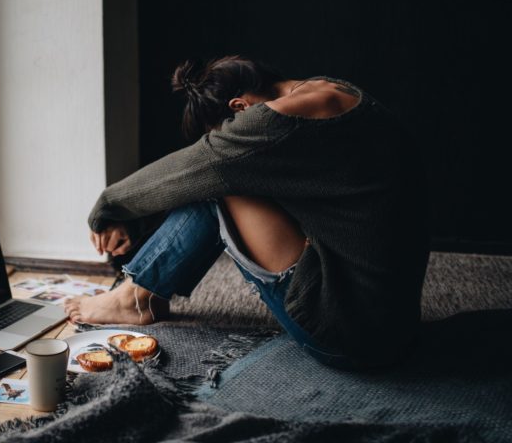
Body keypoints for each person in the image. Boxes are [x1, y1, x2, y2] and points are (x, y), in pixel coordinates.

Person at [64, 55, 430, 369]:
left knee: (217, 180)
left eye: (227, 130)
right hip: (393, 326)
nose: (231, 136)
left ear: (240, 107)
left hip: (349, 336)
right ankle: (141, 292)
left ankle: (136, 299)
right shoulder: (332, 90)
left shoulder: (273, 121)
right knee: (222, 170)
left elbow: (195, 167)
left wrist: (107, 206)